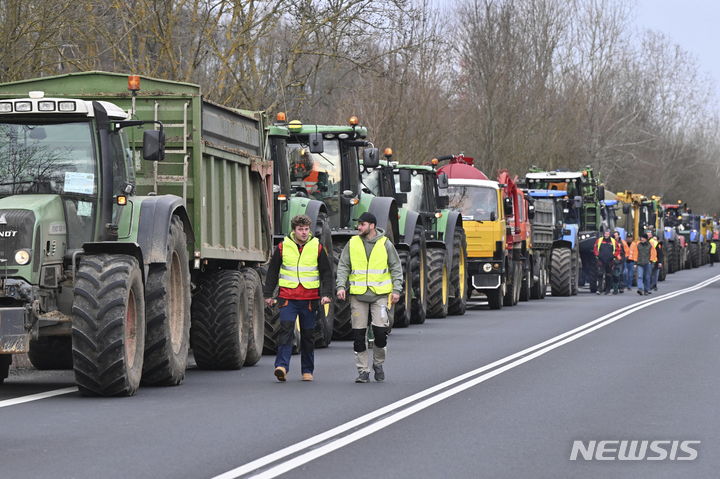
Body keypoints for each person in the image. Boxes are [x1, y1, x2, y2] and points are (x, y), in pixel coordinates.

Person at [263, 214, 333, 382]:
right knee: (285, 331)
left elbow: (326, 272)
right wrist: (268, 294)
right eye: (300, 229)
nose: (304, 232)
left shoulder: (316, 247)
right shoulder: (282, 247)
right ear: (294, 230)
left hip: (309, 299)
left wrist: (326, 294)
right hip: (288, 298)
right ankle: (281, 367)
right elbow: (273, 271)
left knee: (308, 335)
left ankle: (307, 370)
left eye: (306, 229)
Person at [336, 212, 403, 383]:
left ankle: (378, 364)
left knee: (380, 333)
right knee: (359, 335)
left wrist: (396, 290)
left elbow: (396, 267)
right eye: (358, 224)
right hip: (358, 296)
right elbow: (343, 265)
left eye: (362, 224)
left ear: (372, 226)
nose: (359, 227)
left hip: (380, 295)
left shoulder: (385, 244)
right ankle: (363, 371)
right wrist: (341, 286)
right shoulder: (352, 243)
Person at [593, 230, 621, 295]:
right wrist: (597, 255)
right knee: (600, 274)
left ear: (610, 234)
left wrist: (613, 256)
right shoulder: (599, 240)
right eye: (605, 233)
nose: (606, 235)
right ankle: (599, 289)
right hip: (601, 260)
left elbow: (618, 250)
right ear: (603, 234)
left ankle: (607, 290)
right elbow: (595, 248)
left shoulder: (613, 241)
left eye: (608, 234)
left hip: (610, 261)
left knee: (608, 276)